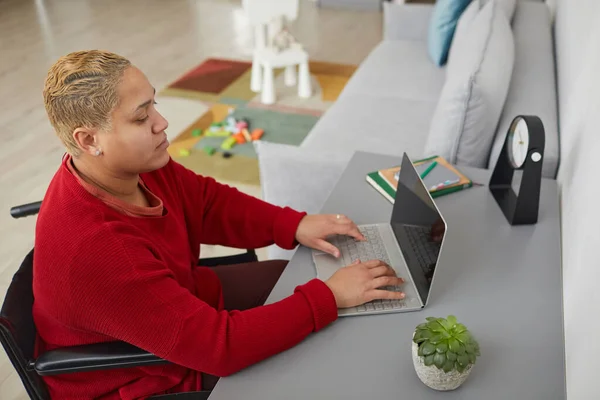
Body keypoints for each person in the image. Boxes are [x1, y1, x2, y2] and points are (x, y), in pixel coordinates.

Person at [33, 50, 406, 399]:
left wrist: (294, 224)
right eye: (141, 117)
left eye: (155, 105)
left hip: (178, 304)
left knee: (292, 273)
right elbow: (220, 348)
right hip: (143, 375)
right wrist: (330, 297)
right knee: (317, 348)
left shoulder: (132, 168)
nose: (161, 123)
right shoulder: (102, 248)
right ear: (89, 140)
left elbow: (206, 203)